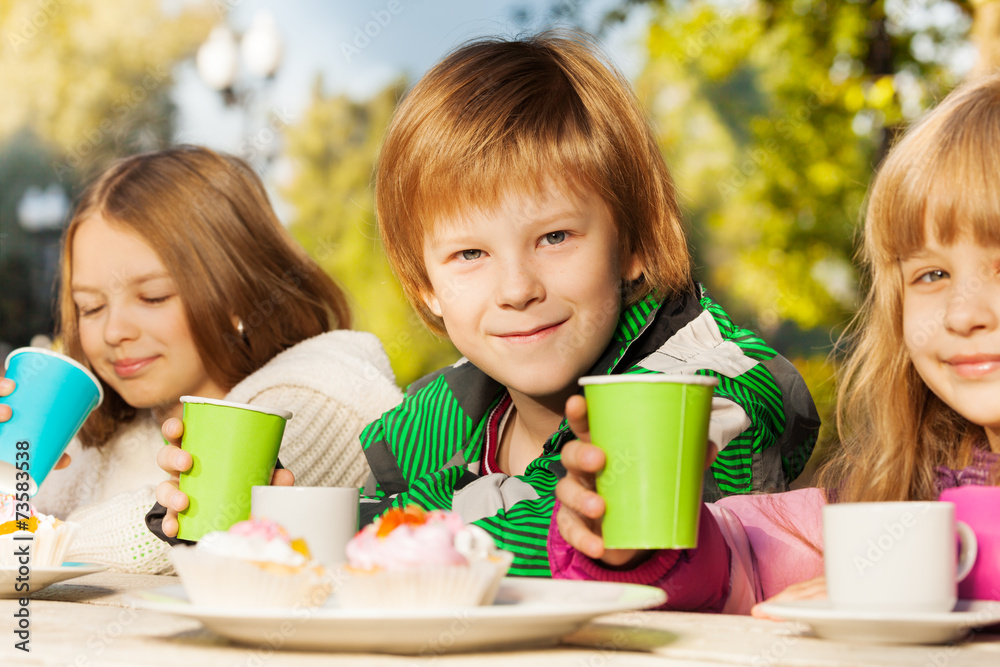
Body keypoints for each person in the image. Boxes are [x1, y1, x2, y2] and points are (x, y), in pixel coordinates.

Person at [152, 31, 820, 575]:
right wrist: (265, 530)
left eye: (555, 236)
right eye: (470, 254)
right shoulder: (439, 417)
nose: (516, 288)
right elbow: (394, 531)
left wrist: (368, 542)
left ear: (636, 243)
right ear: (426, 288)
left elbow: (598, 530)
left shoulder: (709, 385)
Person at [551, 73, 1000, 612]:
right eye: (932, 275)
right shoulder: (893, 501)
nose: (964, 314)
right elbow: (746, 562)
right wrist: (638, 547)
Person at [0, 146, 402, 573]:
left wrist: (25, 533)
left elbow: (189, 530)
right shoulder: (98, 440)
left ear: (237, 295)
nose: (114, 331)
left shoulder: (327, 390)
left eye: (152, 297)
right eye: (91, 307)